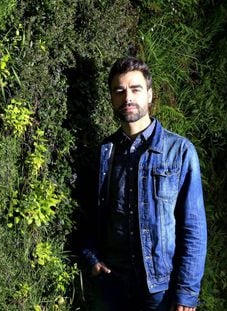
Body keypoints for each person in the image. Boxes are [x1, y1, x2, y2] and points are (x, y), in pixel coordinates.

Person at [81, 57, 207, 311]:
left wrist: (186, 292)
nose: (127, 97)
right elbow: (88, 215)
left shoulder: (179, 151)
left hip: (160, 290)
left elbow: (193, 227)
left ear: (149, 95)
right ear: (112, 99)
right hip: (111, 286)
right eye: (119, 90)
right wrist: (91, 258)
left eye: (135, 89)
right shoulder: (105, 152)